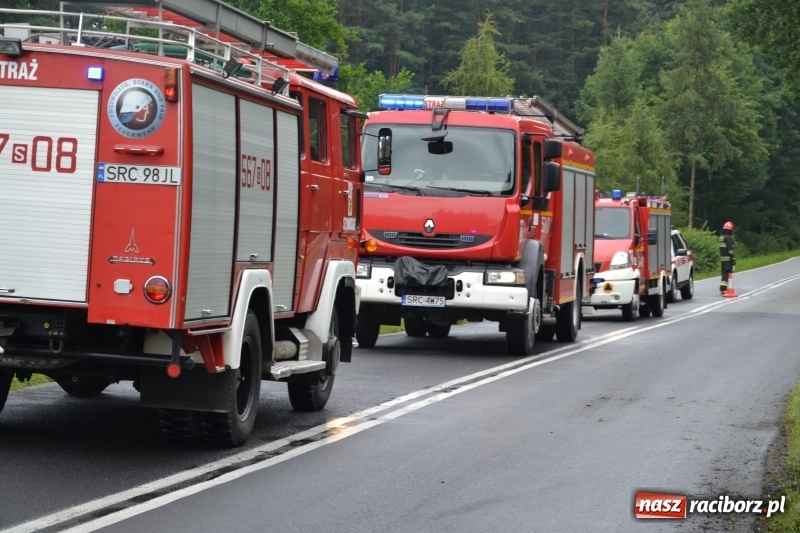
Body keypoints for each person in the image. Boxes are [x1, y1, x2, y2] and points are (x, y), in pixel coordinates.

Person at [719, 221, 735, 294]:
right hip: (728, 259)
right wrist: (733, 258)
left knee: (724, 273)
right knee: (726, 273)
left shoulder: (721, 237)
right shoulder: (728, 238)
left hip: (722, 258)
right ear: (730, 230)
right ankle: (723, 289)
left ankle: (723, 288)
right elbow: (730, 249)